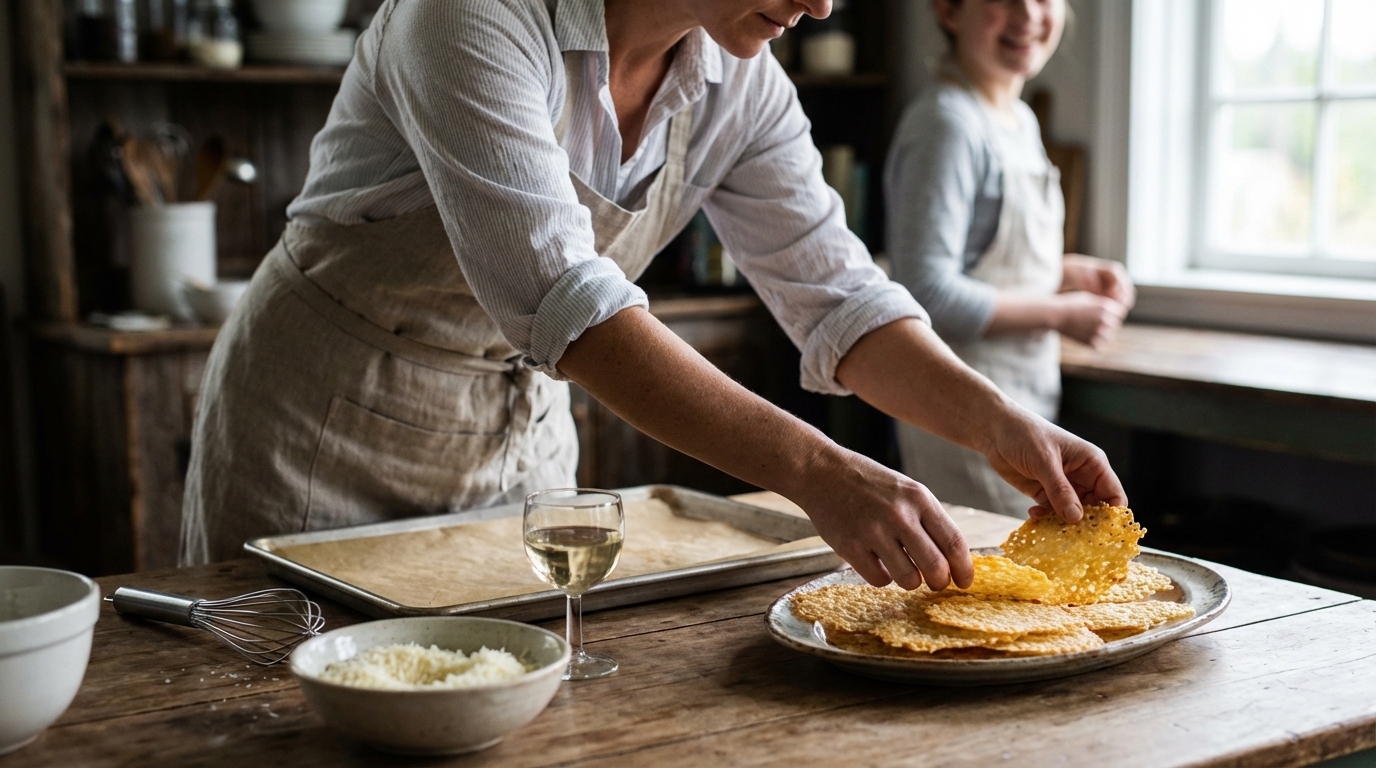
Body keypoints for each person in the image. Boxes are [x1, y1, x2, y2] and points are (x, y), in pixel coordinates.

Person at [180, 0, 1127, 593]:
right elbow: (570, 302)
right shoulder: (469, 16)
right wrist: (818, 473)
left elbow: (840, 296)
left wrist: (1000, 424)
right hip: (325, 426)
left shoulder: (743, 85)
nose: (823, 3)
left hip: (521, 433)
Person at [885, 0, 1135, 518]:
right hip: (964, 423)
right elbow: (926, 291)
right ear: (949, 10)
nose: (1028, 15)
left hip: (1024, 404)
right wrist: (1061, 314)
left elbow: (988, 260)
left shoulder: (1018, 119)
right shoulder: (946, 124)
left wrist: (1067, 273)